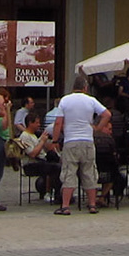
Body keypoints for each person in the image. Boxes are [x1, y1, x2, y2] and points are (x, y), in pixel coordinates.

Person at [48, 82, 108, 215]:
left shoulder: (65, 100)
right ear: (85, 88)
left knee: (69, 172)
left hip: (71, 141)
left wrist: (55, 140)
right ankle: (92, 204)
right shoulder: (91, 100)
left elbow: (58, 123)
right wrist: (97, 128)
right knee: (89, 172)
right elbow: (106, 114)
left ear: (72, 88)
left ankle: (65, 206)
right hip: (87, 140)